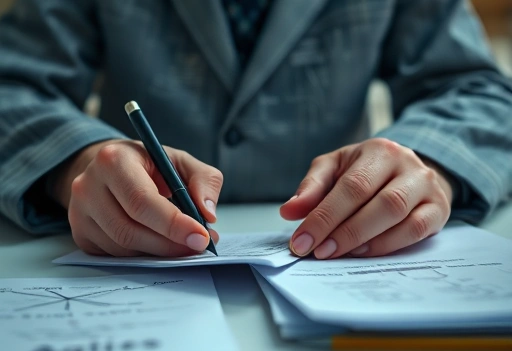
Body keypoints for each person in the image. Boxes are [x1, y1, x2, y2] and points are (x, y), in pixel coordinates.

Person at [0, 0, 511, 259]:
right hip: (121, 252)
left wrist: (428, 165)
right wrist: (76, 162)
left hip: (344, 255)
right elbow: (11, 85)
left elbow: (478, 92)